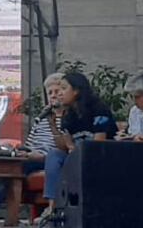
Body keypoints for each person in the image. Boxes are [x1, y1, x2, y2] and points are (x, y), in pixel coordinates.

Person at [0, 73, 66, 224]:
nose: (53, 96)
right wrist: (22, 151)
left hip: (47, 159)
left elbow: (63, 148)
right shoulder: (43, 118)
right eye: (50, 92)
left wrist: (37, 156)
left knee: (13, 170)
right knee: (1, 164)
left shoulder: (69, 118)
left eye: (57, 92)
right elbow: (31, 142)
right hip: (30, 155)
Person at [40, 72, 117, 226]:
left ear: (76, 91)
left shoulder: (98, 109)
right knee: (54, 155)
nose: (60, 93)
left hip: (101, 158)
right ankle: (52, 207)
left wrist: (74, 152)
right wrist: (53, 124)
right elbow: (64, 146)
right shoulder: (69, 114)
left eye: (63, 88)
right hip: (78, 156)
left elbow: (98, 145)